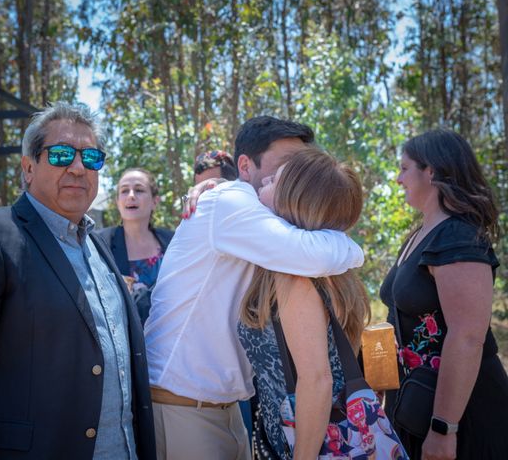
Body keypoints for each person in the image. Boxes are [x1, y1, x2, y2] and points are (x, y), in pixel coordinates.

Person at [0, 102, 156, 460]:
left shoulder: (98, 245)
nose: (78, 167)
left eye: (90, 158)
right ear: (28, 167)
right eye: (60, 155)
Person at [144, 116, 364, 460]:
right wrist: (354, 249)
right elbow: (309, 253)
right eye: (286, 165)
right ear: (245, 166)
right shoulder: (229, 201)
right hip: (184, 407)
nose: (296, 174)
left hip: (227, 409)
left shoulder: (270, 223)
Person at [380, 129, 508, 459]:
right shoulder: (421, 233)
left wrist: (444, 429)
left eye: (405, 168)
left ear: (431, 171)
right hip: (416, 404)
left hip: (462, 413)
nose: (397, 178)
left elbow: (467, 337)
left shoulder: (456, 237)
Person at [238, 148, 371, 459]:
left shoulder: (296, 276)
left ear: (293, 200)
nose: (263, 183)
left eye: (274, 181)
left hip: (309, 444)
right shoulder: (329, 265)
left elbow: (317, 381)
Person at [98, 168, 174, 324]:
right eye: (125, 191)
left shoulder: (173, 241)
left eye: (139, 190)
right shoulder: (100, 242)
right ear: (117, 202)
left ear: (155, 201)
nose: (131, 196)